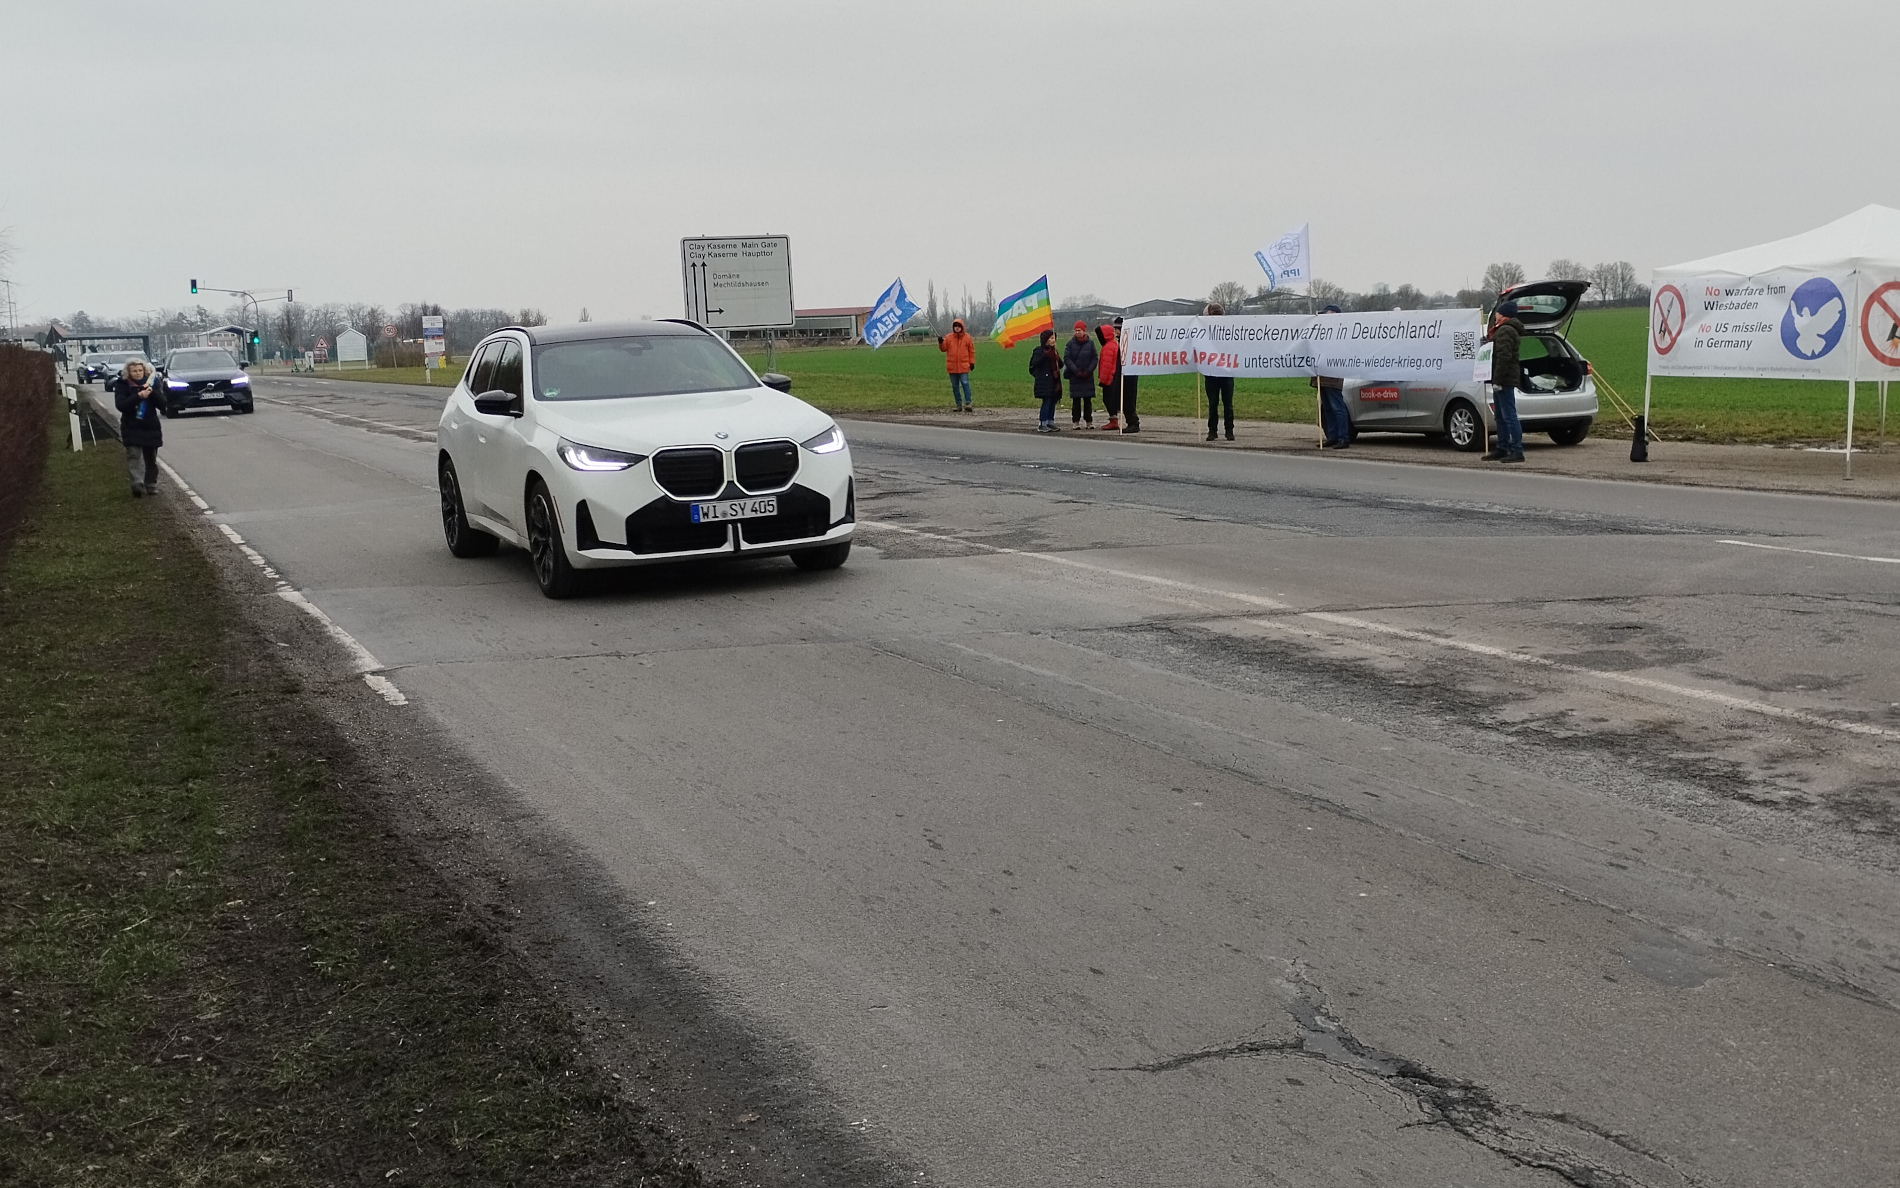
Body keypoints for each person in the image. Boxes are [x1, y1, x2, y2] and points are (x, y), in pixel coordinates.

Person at [111, 359, 163, 497]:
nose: (138, 373)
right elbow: (121, 405)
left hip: (150, 426)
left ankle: (151, 484)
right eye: (134, 371)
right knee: (134, 455)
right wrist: (138, 396)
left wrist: (152, 393)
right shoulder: (122, 384)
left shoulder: (153, 383)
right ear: (128, 372)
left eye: (140, 370)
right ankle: (137, 484)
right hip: (131, 426)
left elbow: (163, 404)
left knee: (151, 458)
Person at [1485, 300, 1525, 463]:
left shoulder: (1505, 331)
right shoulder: (1503, 330)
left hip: (1504, 379)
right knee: (1500, 415)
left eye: (1498, 313)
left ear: (1504, 315)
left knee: (1509, 415)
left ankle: (1517, 450)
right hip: (1502, 377)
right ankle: (1502, 447)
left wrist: (1498, 380)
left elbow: (1504, 356)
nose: (1495, 315)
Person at [1311, 303, 1350, 448]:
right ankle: (1332, 436)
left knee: (1337, 407)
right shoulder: (1321, 333)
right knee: (1327, 408)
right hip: (1322, 375)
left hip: (1333, 375)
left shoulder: (1340, 334)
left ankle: (1343, 437)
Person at [1202, 302, 1234, 441]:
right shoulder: (1204, 330)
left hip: (1224, 370)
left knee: (1224, 403)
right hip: (1212, 371)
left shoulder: (1228, 329)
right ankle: (1216, 430)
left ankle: (1226, 430)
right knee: (1216, 403)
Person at [1061, 320, 1098, 426]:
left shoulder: (1090, 343)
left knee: (1087, 401)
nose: (1077, 332)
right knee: (1076, 401)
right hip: (1075, 377)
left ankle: (1089, 421)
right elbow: (1067, 359)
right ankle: (1076, 421)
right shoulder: (1070, 344)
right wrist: (1076, 371)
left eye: (1079, 330)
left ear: (1084, 331)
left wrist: (1089, 370)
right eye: (1076, 330)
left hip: (1087, 377)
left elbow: (1094, 358)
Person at [938, 318, 976, 413]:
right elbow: (943, 349)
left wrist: (972, 362)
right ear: (953, 327)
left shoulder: (967, 338)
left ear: (962, 327)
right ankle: (958, 404)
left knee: (965, 383)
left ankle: (968, 403)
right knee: (955, 386)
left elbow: (971, 351)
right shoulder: (948, 337)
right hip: (952, 366)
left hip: (964, 366)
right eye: (955, 326)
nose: (957, 328)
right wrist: (941, 342)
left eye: (959, 326)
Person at [1029, 329, 1063, 432]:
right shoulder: (1039, 350)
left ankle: (1050, 422)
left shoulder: (1054, 351)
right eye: (1051, 338)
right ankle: (1042, 423)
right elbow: (1035, 363)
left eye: (1054, 338)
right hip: (1044, 381)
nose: (1053, 340)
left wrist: (1057, 358)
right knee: (1046, 402)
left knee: (1053, 401)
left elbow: (1061, 365)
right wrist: (1045, 355)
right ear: (1046, 340)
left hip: (1054, 381)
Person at [1114, 315, 1139, 433]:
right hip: (1123, 372)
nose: (1115, 331)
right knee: (1123, 398)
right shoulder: (1121, 341)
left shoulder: (1128, 341)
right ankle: (1130, 421)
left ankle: (1133, 422)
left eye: (1117, 329)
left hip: (1129, 373)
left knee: (1128, 398)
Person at [1095, 323, 1121, 431]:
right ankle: (1114, 419)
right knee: (1111, 399)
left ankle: (1113, 420)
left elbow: (1106, 366)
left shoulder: (1107, 347)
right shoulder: (1113, 344)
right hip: (1114, 378)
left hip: (1109, 379)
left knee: (1108, 400)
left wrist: (1102, 380)